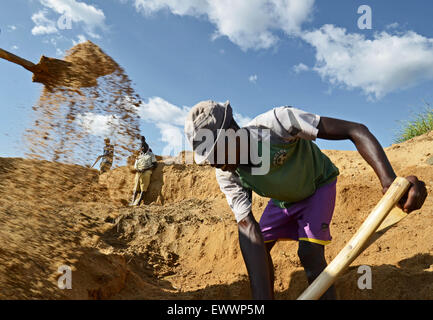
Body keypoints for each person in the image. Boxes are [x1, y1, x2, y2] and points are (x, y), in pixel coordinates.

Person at [184, 100, 427, 300]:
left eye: (216, 151)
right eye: (207, 157)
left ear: (233, 131)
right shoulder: (227, 173)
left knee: (309, 252)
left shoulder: (278, 124)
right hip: (282, 201)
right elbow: (247, 226)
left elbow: (356, 130)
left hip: (317, 186)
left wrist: (390, 183)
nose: (213, 163)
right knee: (260, 247)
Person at [130, 138, 157, 206]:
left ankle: (139, 202)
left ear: (147, 147)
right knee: (136, 187)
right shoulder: (139, 156)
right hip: (139, 172)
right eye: (141, 147)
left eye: (144, 146)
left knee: (143, 186)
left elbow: (155, 164)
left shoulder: (150, 154)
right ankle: (132, 202)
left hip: (147, 171)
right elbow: (135, 166)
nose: (143, 148)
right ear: (140, 148)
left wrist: (145, 169)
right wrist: (138, 170)